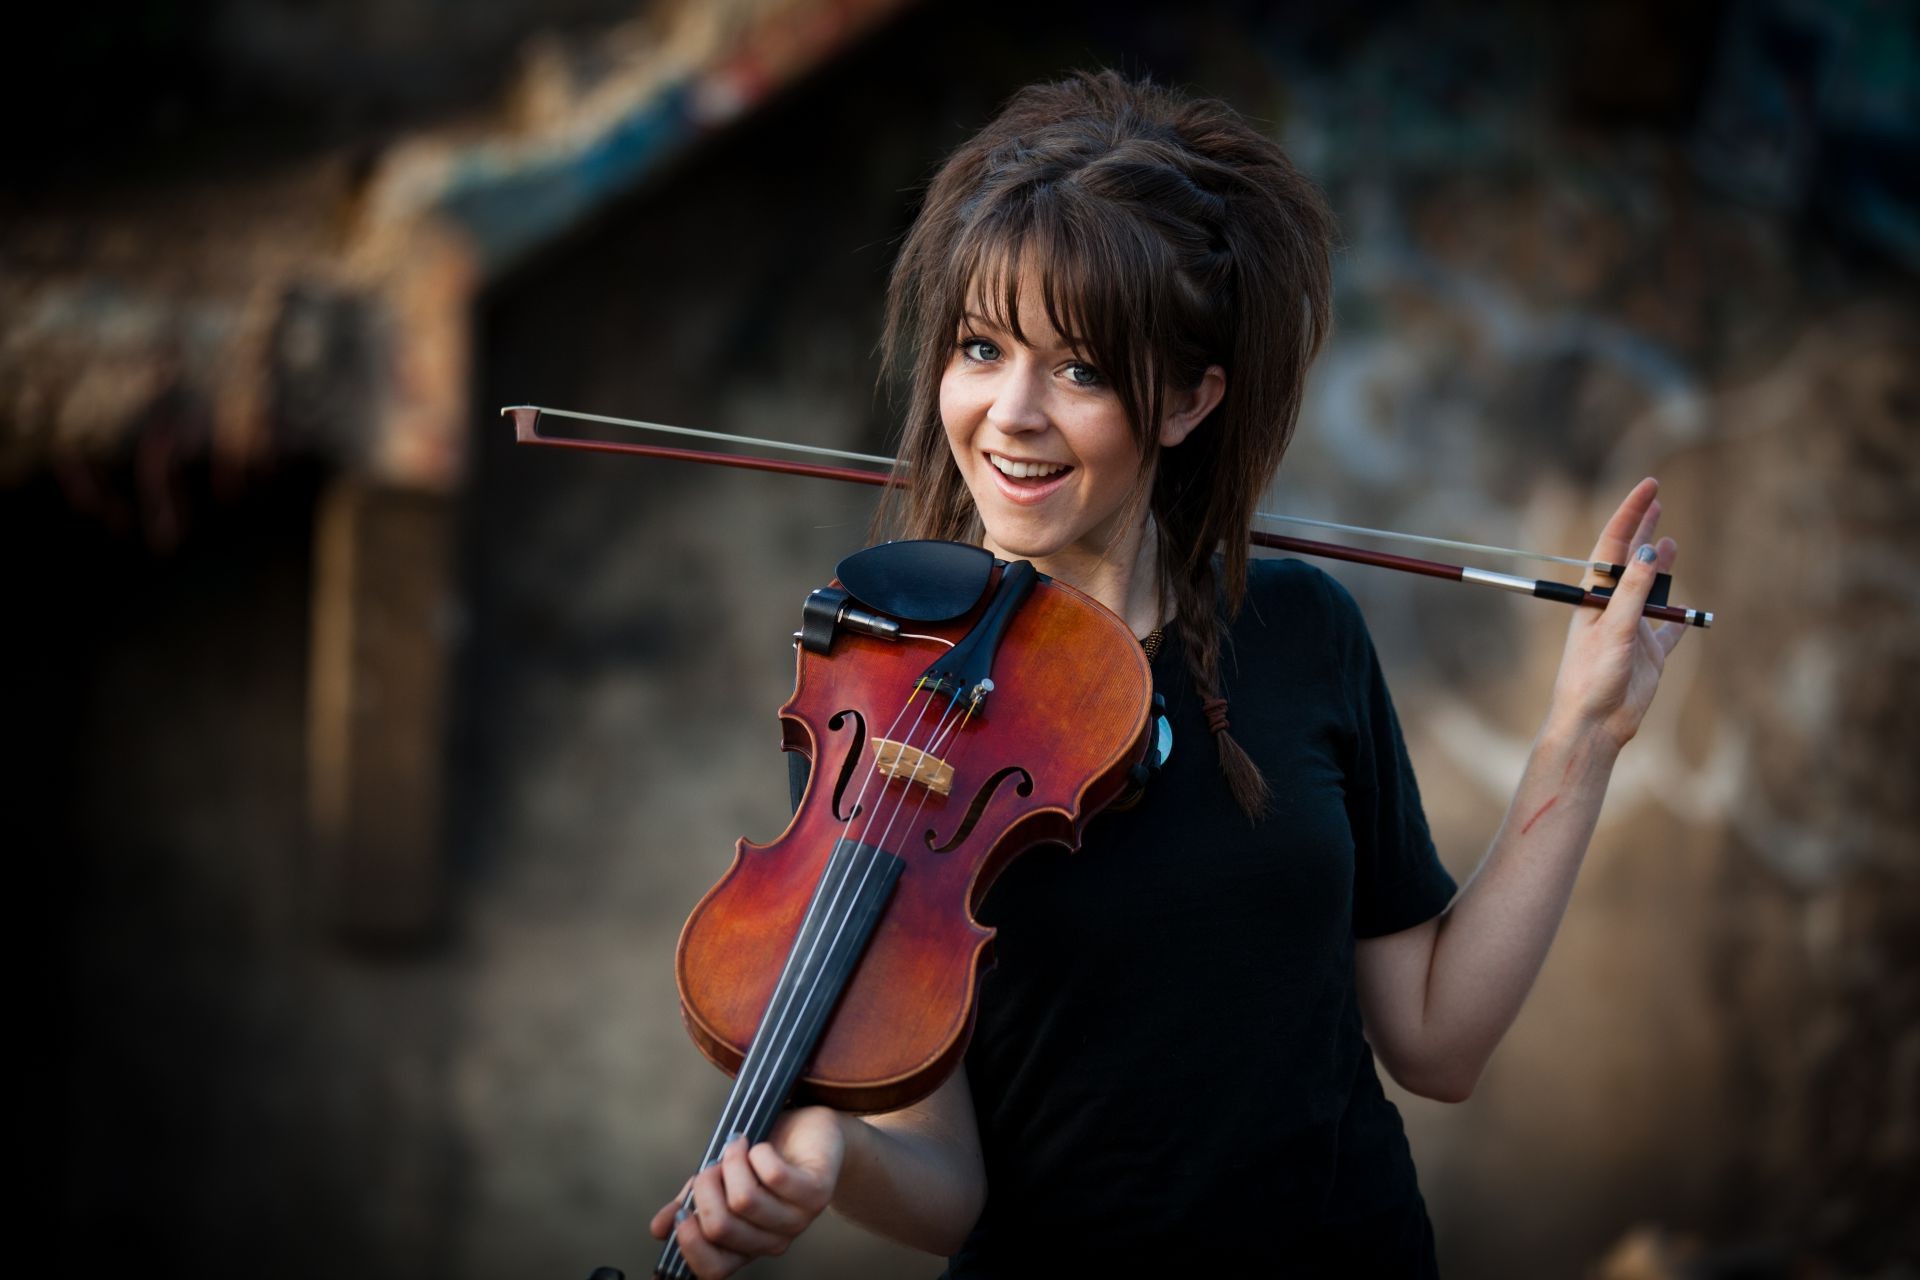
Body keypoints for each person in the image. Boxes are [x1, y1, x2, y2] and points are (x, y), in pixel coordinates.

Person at [648, 70, 1686, 1277]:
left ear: (1192, 400)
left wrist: (1585, 732)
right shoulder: (889, 681)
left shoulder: (1299, 630)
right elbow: (950, 1183)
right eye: (980, 348)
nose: (1010, 414)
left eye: (1082, 369)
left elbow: (1439, 1040)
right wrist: (831, 1156)